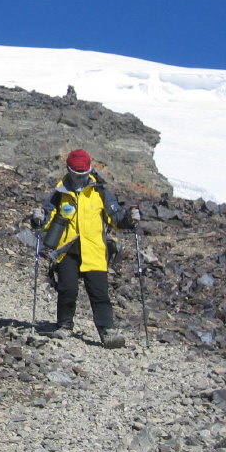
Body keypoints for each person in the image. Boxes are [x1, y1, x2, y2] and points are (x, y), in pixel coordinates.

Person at [31, 149, 141, 349]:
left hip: (94, 249)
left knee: (99, 292)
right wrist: (38, 218)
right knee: (67, 289)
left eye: (82, 175)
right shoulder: (60, 192)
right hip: (67, 250)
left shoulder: (100, 192)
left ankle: (107, 331)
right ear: (68, 170)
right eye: (75, 174)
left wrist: (129, 219)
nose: (78, 178)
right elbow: (47, 217)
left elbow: (115, 218)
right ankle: (64, 326)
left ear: (89, 171)